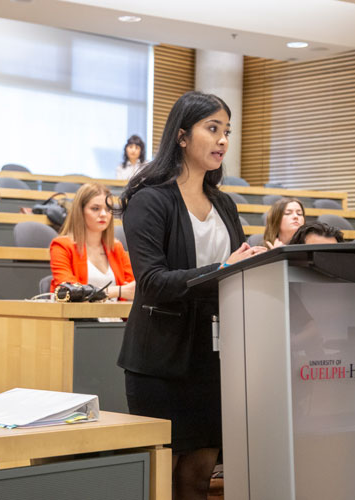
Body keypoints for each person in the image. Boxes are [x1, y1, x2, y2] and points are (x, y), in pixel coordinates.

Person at [118, 91, 266, 500]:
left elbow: (238, 270)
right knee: (162, 478)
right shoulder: (149, 199)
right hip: (160, 360)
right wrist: (224, 267)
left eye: (227, 132)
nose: (222, 141)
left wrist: (258, 262)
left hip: (216, 358)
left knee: (199, 479)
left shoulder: (224, 204)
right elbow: (152, 281)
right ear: (182, 137)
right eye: (213, 129)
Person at [49, 183, 135, 300]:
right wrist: (117, 291)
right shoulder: (62, 246)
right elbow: (69, 291)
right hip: (81, 317)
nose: (103, 214)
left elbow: (133, 289)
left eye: (108, 209)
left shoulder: (116, 247)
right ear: (80, 211)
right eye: (95, 208)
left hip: (117, 317)